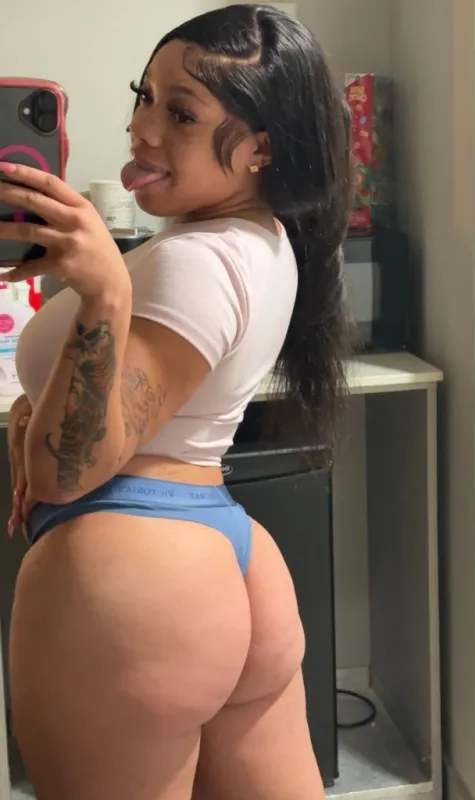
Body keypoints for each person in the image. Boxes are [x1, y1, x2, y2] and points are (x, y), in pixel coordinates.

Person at [1, 4, 352, 798]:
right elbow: (159, 409)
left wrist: (103, 292)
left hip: (130, 585)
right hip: (224, 558)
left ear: (262, 147)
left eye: (182, 114)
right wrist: (38, 404)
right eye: (145, 97)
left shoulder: (196, 261)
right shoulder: (257, 239)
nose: (143, 129)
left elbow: (68, 472)